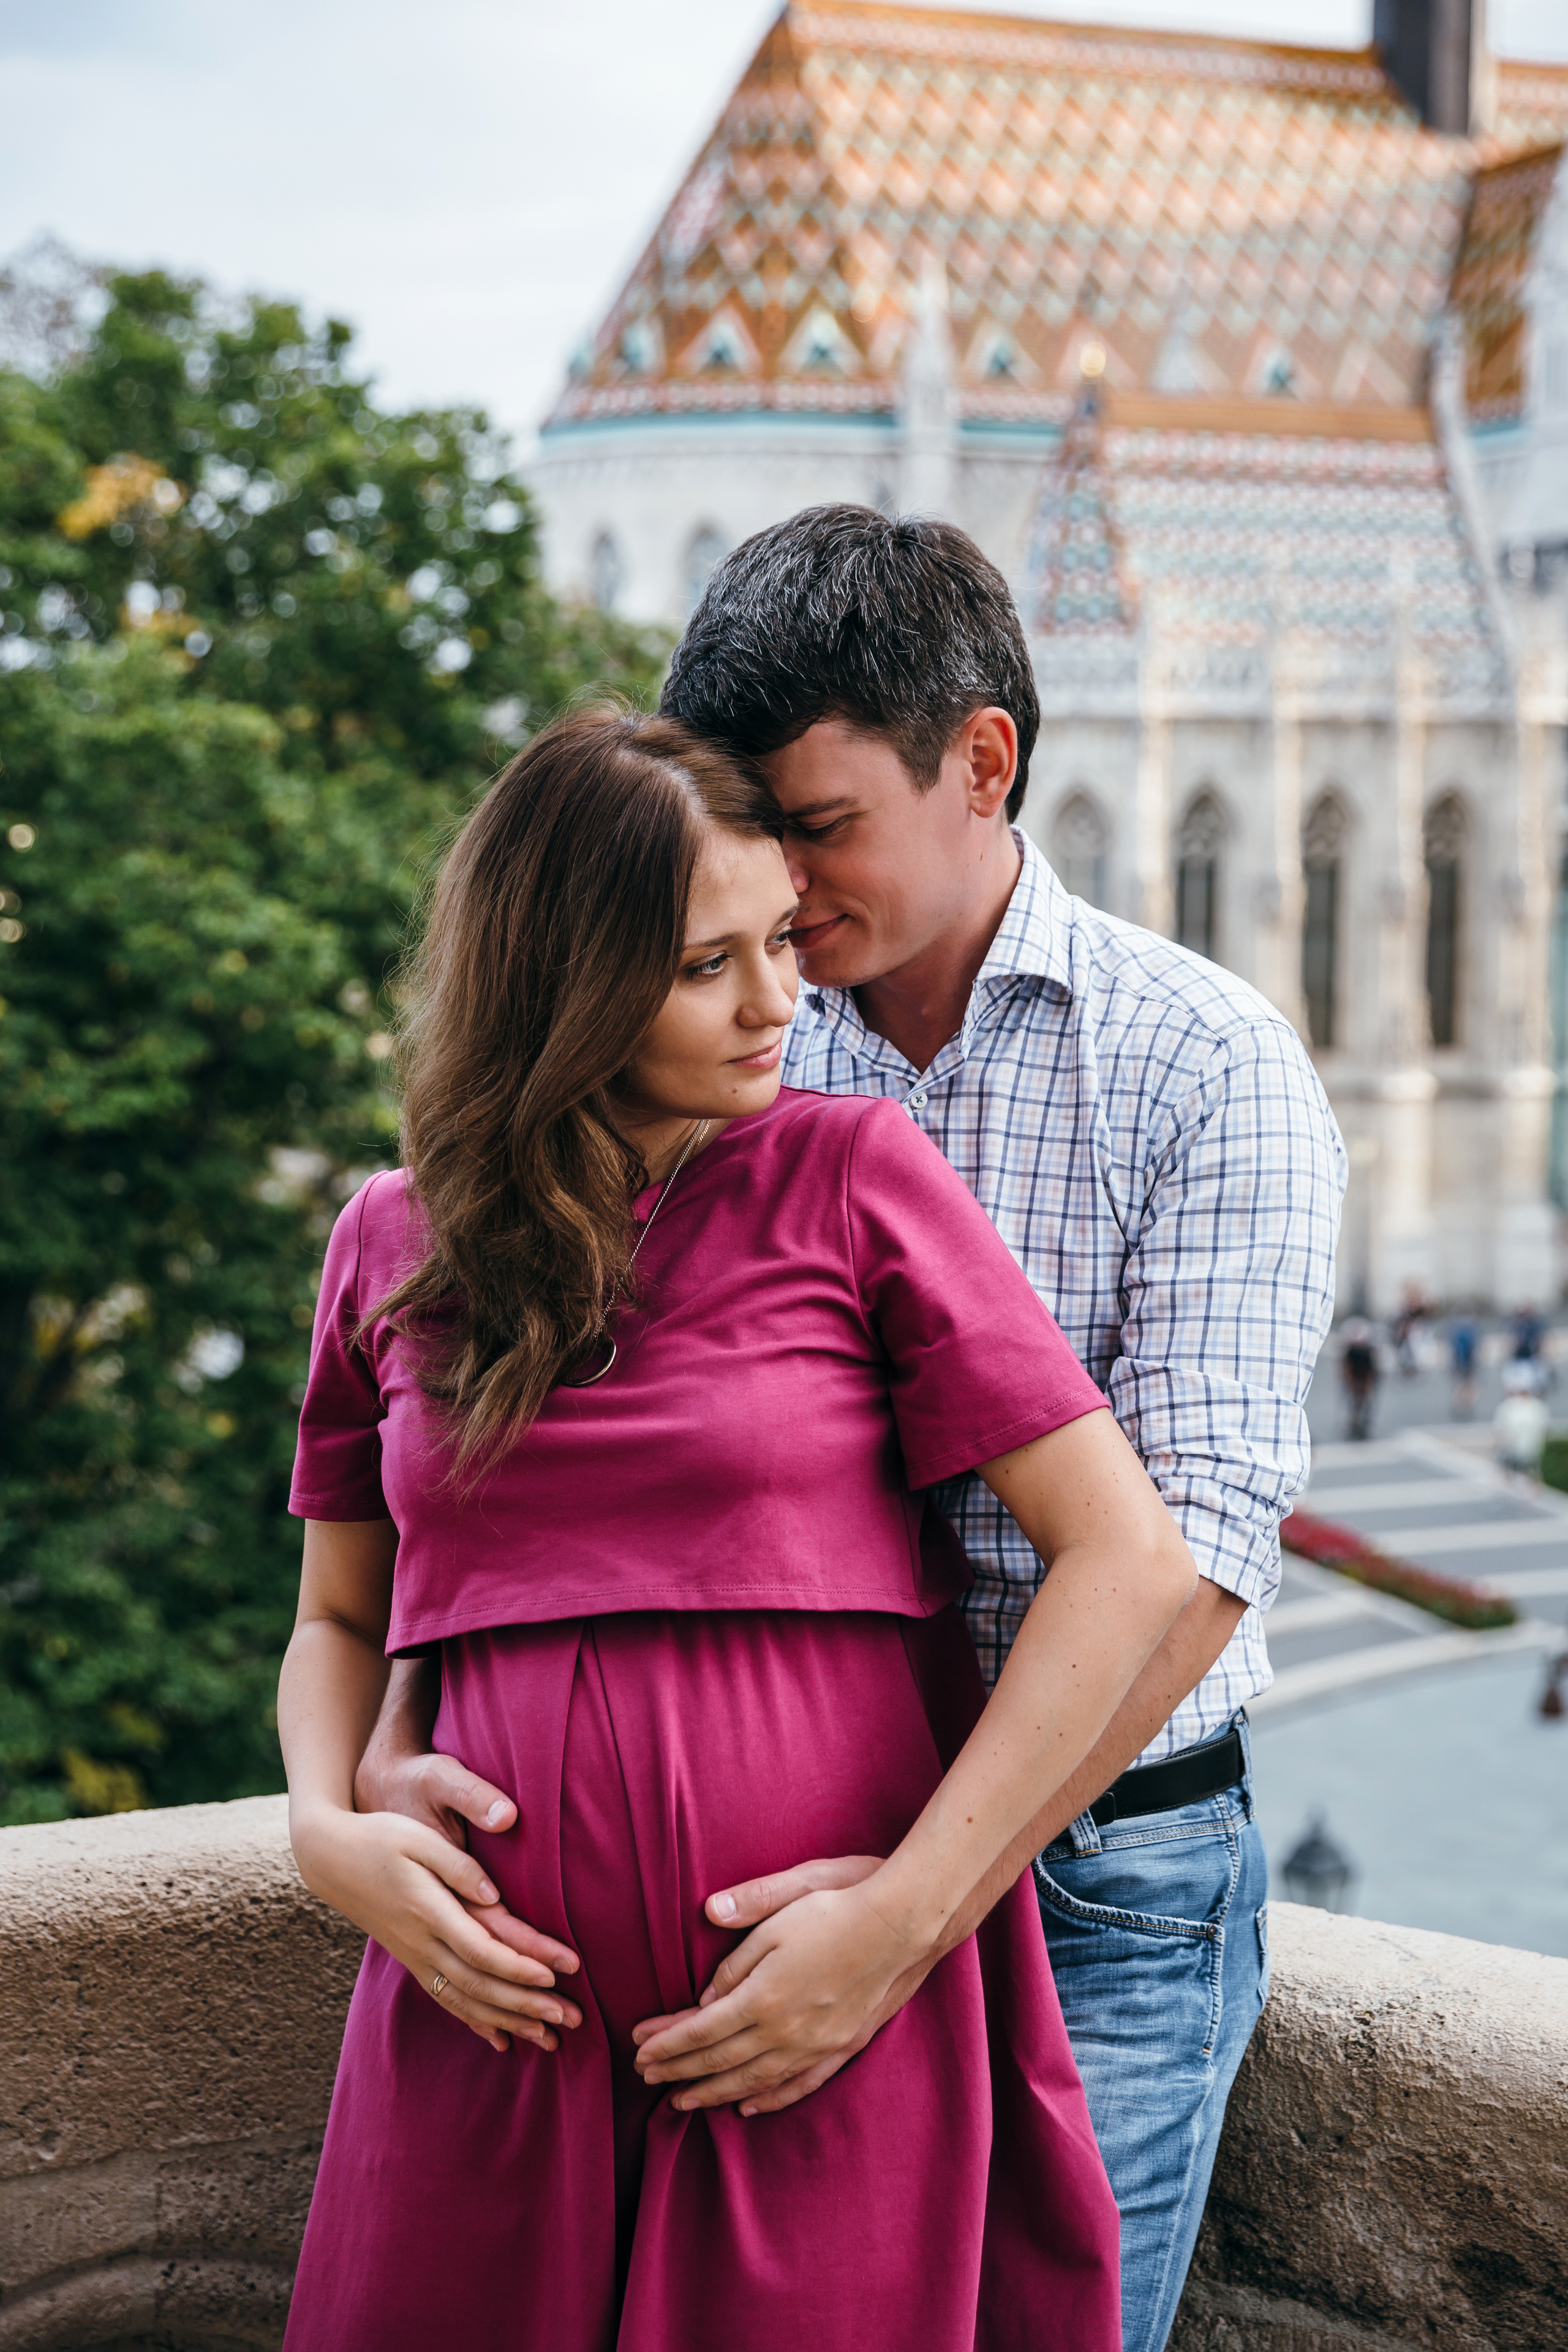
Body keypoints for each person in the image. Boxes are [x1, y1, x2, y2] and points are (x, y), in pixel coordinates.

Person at [356, 508, 1345, 2352]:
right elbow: (524, 1469)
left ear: (981, 762)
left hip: (1093, 1875)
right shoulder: (718, 1035)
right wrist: (388, 1748)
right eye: (741, 847)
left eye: (814, 829)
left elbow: (1193, 1553)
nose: (777, 901)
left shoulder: (1205, 1061)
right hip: (751, 1897)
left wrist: (907, 1909)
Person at [1340, 1318, 1379, 1443]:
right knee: (1354, 1404)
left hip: (1364, 1378)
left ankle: (1362, 1425)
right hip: (1356, 1380)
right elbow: (1347, 1369)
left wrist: (1368, 1385)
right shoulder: (1352, 1351)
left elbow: (1372, 1370)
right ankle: (1355, 1425)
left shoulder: (1366, 1351)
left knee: (1364, 1404)